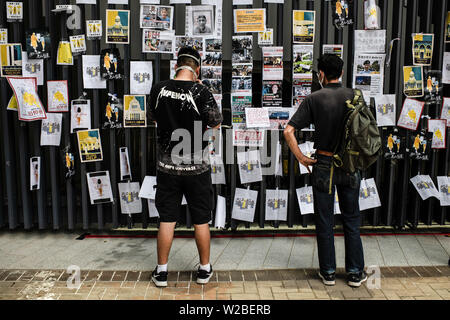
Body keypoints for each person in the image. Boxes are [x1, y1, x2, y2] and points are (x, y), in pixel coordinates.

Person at [284, 54, 367, 288]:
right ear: (341, 73)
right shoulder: (356, 96)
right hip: (350, 164)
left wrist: (301, 157)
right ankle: (354, 273)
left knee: (324, 219)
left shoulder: (314, 98)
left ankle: (328, 272)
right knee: (351, 218)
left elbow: (288, 131)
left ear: (321, 74)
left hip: (324, 164)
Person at [148, 47, 222, 287]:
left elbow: (154, 118)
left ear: (175, 66)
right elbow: (215, 124)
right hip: (197, 167)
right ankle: (204, 269)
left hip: (167, 166)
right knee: (201, 219)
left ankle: (161, 272)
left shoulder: (159, 88)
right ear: (197, 69)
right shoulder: (202, 91)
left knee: (167, 218)